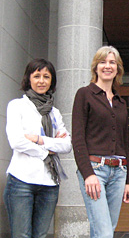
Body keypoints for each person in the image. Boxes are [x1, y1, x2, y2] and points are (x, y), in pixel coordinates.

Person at [3, 58, 72, 238]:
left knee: (40, 235)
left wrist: (39, 139)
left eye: (46, 76)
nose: (41, 81)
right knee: (21, 235)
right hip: (21, 182)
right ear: (29, 79)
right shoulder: (17, 106)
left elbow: (66, 145)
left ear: (52, 81)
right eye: (37, 76)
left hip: (49, 183)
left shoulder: (54, 113)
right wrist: (47, 149)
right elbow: (17, 142)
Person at [72, 46, 129, 238]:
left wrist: (128, 181)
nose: (107, 66)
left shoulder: (121, 103)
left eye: (112, 62)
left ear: (118, 68)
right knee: (104, 232)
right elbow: (78, 138)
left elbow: (125, 143)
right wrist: (87, 174)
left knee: (105, 229)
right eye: (103, 62)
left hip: (119, 172)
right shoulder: (84, 94)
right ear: (95, 67)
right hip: (95, 170)